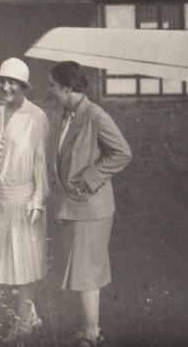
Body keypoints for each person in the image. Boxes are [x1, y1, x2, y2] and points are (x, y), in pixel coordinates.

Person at [48, 60, 132, 347]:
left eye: (53, 86)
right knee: (81, 269)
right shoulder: (67, 113)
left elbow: (122, 153)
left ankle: (92, 334)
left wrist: (88, 178)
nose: (51, 91)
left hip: (90, 208)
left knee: (86, 271)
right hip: (74, 206)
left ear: (68, 88)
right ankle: (87, 328)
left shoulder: (95, 115)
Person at [0, 58, 49, 338]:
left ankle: (23, 323)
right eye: (2, 82)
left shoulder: (36, 116)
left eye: (12, 82)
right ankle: (29, 314)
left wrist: (37, 199)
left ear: (23, 86)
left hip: (24, 198)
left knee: (25, 261)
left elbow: (40, 161)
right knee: (4, 259)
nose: (6, 87)